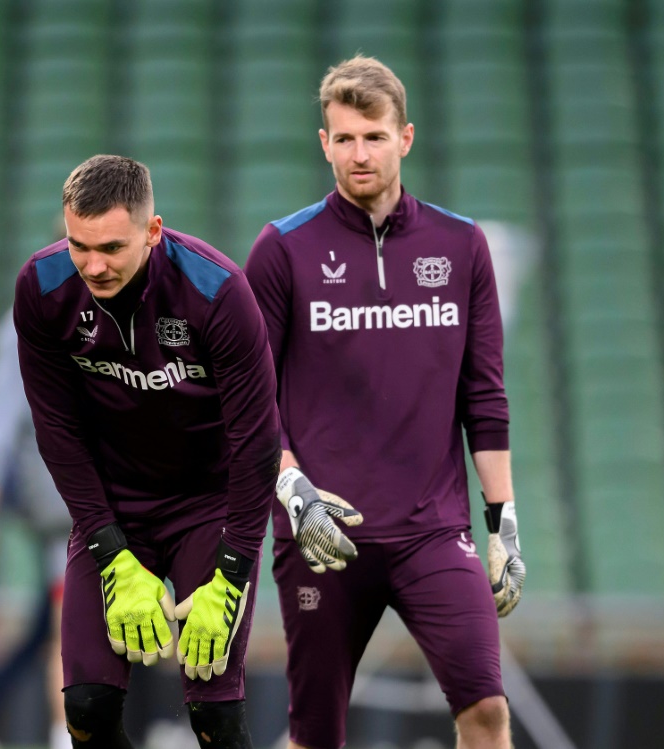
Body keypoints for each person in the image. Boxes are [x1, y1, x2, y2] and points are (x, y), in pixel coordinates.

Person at [243, 55, 526, 749]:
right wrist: (292, 488)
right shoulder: (282, 249)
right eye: (344, 138)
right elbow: (248, 400)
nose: (359, 153)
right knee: (315, 736)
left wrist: (504, 520)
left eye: (373, 135)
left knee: (487, 710)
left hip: (433, 530)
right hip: (323, 535)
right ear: (324, 144)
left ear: (405, 137)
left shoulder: (461, 246)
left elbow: (484, 393)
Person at [13, 154, 281, 749]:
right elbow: (56, 431)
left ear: (153, 231)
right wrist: (111, 552)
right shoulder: (42, 287)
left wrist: (233, 573)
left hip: (206, 506)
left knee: (214, 713)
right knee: (87, 705)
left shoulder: (219, 292)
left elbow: (257, 441)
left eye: (111, 247)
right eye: (79, 245)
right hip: (112, 505)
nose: (93, 265)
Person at [0, 307, 73, 749]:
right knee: (70, 623)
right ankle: (67, 737)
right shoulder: (24, 325)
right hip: (66, 505)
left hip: (119, 498)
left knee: (56, 626)